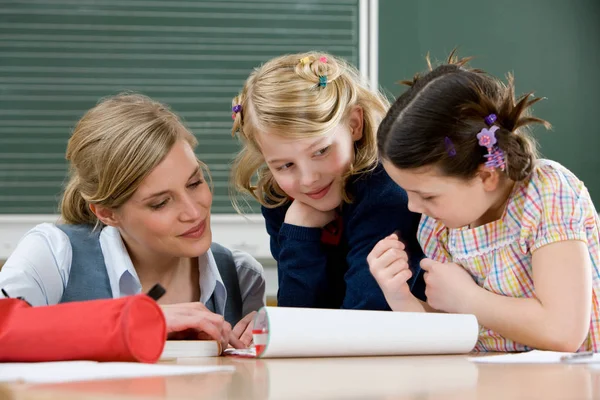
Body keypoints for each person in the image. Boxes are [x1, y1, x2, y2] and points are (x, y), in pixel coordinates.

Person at [369, 53, 600, 352]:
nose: (413, 207)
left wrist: (468, 298)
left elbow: (564, 332)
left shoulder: (546, 193)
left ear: (487, 175)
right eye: (408, 192)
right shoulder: (438, 226)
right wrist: (401, 298)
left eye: (427, 195)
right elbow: (452, 333)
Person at [0, 93, 265, 349]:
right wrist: (138, 322)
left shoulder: (241, 276)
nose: (193, 213)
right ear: (107, 213)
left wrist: (281, 334)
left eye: (195, 183)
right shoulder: (55, 255)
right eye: (160, 203)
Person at [230, 52, 425, 309]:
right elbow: (298, 320)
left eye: (321, 151)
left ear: (354, 124)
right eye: (285, 165)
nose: (309, 179)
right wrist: (299, 230)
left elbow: (367, 319)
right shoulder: (281, 199)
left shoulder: (385, 190)